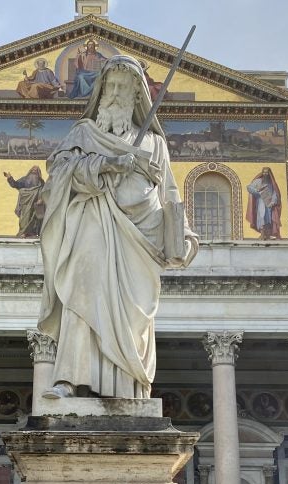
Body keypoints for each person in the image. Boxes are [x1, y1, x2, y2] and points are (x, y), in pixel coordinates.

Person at [38, 55, 198, 400]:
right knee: (81, 289)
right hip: (92, 224)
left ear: (136, 96)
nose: (114, 94)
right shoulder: (83, 133)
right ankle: (67, 378)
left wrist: (183, 235)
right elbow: (58, 175)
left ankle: (127, 387)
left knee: (132, 316)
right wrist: (107, 164)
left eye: (123, 88)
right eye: (109, 86)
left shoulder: (154, 144)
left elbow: (170, 192)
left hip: (141, 237)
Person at [3, 166, 46, 237]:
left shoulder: (41, 182)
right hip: (25, 202)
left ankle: (32, 233)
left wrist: (41, 198)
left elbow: (43, 191)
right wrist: (10, 178)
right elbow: (15, 184)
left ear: (38, 172)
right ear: (30, 170)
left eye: (36, 170)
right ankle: (23, 232)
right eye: (33, 169)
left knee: (34, 218)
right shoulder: (24, 179)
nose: (34, 171)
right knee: (24, 218)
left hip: (35, 203)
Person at [245, 166, 282, 239]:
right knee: (261, 216)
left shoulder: (272, 184)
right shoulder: (258, 181)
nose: (265, 174)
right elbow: (249, 187)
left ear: (269, 173)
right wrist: (257, 192)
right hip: (261, 202)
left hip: (269, 204)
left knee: (268, 219)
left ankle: (267, 235)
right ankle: (262, 234)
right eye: (264, 172)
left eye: (267, 172)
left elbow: (275, 193)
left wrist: (273, 202)